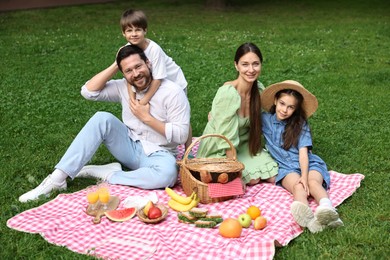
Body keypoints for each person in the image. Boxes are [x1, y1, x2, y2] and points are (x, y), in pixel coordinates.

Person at [19, 45, 190, 203]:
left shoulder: (172, 92)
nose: (136, 74)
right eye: (128, 70)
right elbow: (88, 92)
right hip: (129, 145)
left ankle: (110, 174)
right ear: (122, 73)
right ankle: (57, 179)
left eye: (138, 66)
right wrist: (115, 65)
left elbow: (182, 135)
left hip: (160, 154)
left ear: (148, 63)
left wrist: (147, 118)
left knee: (168, 175)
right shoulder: (124, 87)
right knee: (102, 118)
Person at [261, 80, 343, 233]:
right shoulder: (265, 120)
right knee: (298, 187)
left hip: (309, 164)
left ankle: (327, 209)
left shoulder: (300, 124)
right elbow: (245, 121)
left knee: (311, 183)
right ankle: (310, 220)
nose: (284, 110)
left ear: (296, 109)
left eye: (290, 107)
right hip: (286, 168)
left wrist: (304, 176)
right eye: (282, 103)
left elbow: (304, 154)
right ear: (275, 101)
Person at [196, 43, 278, 185]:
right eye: (245, 64)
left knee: (274, 175)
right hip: (221, 148)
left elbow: (268, 120)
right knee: (253, 180)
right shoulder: (228, 94)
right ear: (236, 65)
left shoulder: (259, 91)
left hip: (246, 146)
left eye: (256, 64)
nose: (251, 70)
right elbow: (225, 139)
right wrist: (234, 170)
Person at [120, 9, 193, 150]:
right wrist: (133, 101)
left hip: (174, 82)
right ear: (123, 33)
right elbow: (129, 79)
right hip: (157, 82)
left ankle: (189, 151)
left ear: (145, 30)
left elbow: (158, 79)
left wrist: (143, 101)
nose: (134, 34)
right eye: (129, 30)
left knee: (182, 119)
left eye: (138, 29)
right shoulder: (128, 49)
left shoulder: (154, 50)